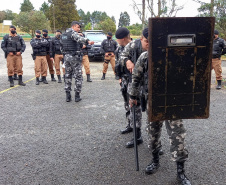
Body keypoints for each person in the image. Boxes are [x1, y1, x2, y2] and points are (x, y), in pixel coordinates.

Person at [129, 51, 191, 185]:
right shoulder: (146, 56)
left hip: (173, 100)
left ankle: (180, 171)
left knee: (178, 135)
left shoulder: (178, 52)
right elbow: (136, 76)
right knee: (153, 132)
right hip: (154, 100)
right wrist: (133, 96)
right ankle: (155, 160)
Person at [118, 28, 149, 148]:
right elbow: (121, 56)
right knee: (134, 108)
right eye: (146, 41)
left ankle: (155, 142)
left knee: (153, 111)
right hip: (135, 81)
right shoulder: (132, 45)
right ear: (141, 39)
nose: (148, 44)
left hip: (149, 82)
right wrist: (127, 61)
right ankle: (137, 136)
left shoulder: (155, 47)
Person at [60, 21, 94, 102]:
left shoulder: (63, 35)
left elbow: (61, 47)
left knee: (67, 75)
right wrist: (88, 41)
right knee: (78, 76)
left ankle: (68, 96)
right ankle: (77, 96)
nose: (79, 29)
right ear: (73, 26)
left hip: (66, 57)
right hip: (74, 57)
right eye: (78, 27)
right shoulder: (73, 33)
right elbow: (79, 39)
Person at [115, 27, 132, 134]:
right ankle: (130, 124)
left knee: (135, 105)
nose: (117, 41)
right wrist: (119, 78)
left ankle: (137, 132)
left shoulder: (135, 47)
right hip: (124, 80)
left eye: (118, 39)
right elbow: (117, 65)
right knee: (127, 103)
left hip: (134, 81)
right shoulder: (119, 49)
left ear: (124, 38)